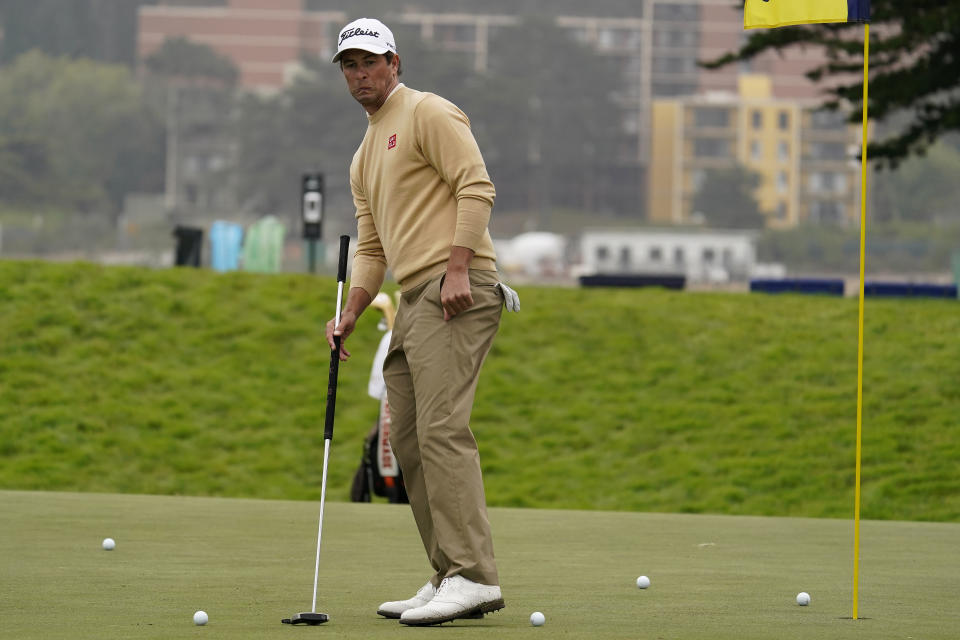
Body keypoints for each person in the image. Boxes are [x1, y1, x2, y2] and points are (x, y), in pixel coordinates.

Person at [326, 17, 519, 627]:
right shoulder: (363, 155)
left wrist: (460, 267)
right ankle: (448, 574)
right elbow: (372, 245)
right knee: (406, 438)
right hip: (413, 298)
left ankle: (474, 575)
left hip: (456, 288)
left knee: (440, 428)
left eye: (370, 62)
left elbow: (477, 187)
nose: (361, 75)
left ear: (394, 63)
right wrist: (352, 312)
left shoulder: (429, 113)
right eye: (350, 66)